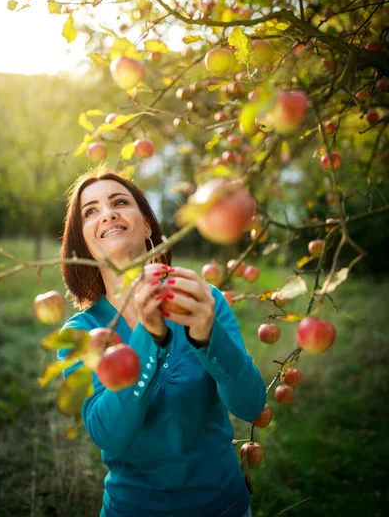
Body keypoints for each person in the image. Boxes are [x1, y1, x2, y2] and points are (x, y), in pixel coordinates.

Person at [57, 167, 266, 517]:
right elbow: (110, 436)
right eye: (90, 211)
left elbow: (250, 405)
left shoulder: (200, 299)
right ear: (83, 242)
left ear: (148, 225)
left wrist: (208, 335)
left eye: (119, 202)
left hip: (224, 506)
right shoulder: (81, 334)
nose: (106, 212)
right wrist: (149, 338)